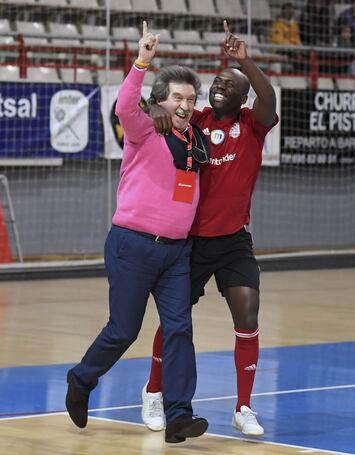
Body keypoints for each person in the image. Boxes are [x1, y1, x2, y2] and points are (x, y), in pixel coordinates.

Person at [65, 21, 211, 445]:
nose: (184, 104)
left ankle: (179, 415)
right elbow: (125, 104)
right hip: (132, 245)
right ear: (161, 101)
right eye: (177, 97)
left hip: (176, 253)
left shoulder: (195, 140)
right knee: (123, 330)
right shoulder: (146, 127)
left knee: (179, 328)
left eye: (190, 98)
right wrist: (143, 60)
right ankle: (81, 379)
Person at [141, 21, 278, 436]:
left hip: (234, 240)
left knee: (248, 313)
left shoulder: (253, 125)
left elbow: (269, 98)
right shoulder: (195, 118)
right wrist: (154, 113)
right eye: (216, 81)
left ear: (242, 96)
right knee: (175, 319)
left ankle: (243, 407)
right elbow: (147, 105)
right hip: (192, 241)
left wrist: (244, 61)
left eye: (229, 83)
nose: (219, 86)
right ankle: (153, 392)